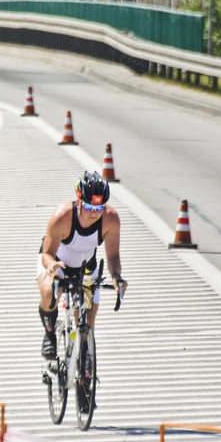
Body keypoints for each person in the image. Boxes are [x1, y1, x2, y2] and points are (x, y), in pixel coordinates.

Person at [37, 171, 128, 407]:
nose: (94, 213)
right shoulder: (62, 216)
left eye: (99, 208)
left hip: (86, 267)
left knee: (88, 318)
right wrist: (52, 267)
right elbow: (46, 254)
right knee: (49, 292)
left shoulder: (111, 219)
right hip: (57, 262)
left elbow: (113, 256)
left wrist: (116, 277)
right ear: (79, 201)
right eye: (89, 207)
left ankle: (84, 381)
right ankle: (50, 334)